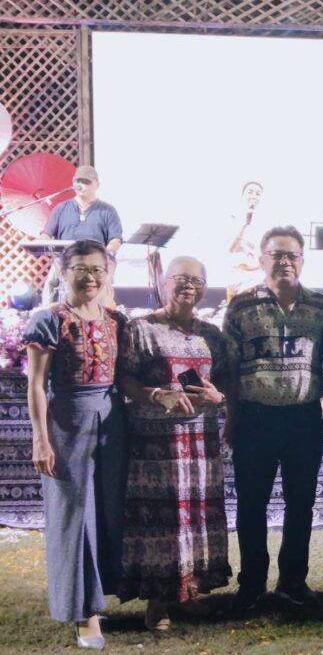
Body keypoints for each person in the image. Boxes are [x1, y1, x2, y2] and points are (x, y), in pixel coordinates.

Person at [117, 257, 232, 631]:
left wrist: (219, 396)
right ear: (165, 283)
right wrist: (156, 395)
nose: (189, 286)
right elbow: (125, 379)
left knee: (194, 516)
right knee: (162, 519)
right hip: (157, 445)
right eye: (181, 278)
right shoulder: (141, 328)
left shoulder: (211, 334)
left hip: (200, 442)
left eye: (197, 281)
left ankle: (188, 591)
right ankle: (157, 602)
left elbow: (225, 382)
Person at [223, 226, 323, 613]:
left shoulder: (321, 307)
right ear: (261, 259)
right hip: (255, 418)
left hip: (304, 418)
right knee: (251, 504)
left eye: (291, 255)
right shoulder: (241, 306)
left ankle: (293, 581)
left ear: (302, 260)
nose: (284, 261)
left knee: (300, 504)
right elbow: (230, 368)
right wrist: (231, 416)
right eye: (276, 254)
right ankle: (252, 583)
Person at [23, 239, 127, 649]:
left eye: (97, 269)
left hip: (112, 424)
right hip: (67, 422)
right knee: (74, 514)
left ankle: (96, 597)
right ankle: (83, 613)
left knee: (106, 510)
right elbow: (36, 384)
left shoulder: (116, 319)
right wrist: (41, 439)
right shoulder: (49, 320)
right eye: (80, 269)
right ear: (64, 272)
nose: (90, 277)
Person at [40, 165, 123, 255]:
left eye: (87, 182)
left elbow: (115, 240)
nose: (82, 185)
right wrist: (41, 242)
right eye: (78, 181)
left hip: (95, 261)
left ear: (97, 185)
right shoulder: (60, 209)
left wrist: (107, 254)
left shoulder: (108, 211)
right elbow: (46, 235)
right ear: (73, 184)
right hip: (65, 260)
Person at [227, 180, 266, 302]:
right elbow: (231, 249)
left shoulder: (265, 223)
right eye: (250, 192)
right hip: (238, 275)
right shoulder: (232, 218)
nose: (254, 196)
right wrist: (244, 224)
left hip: (258, 275)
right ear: (242, 196)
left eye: (258, 194)